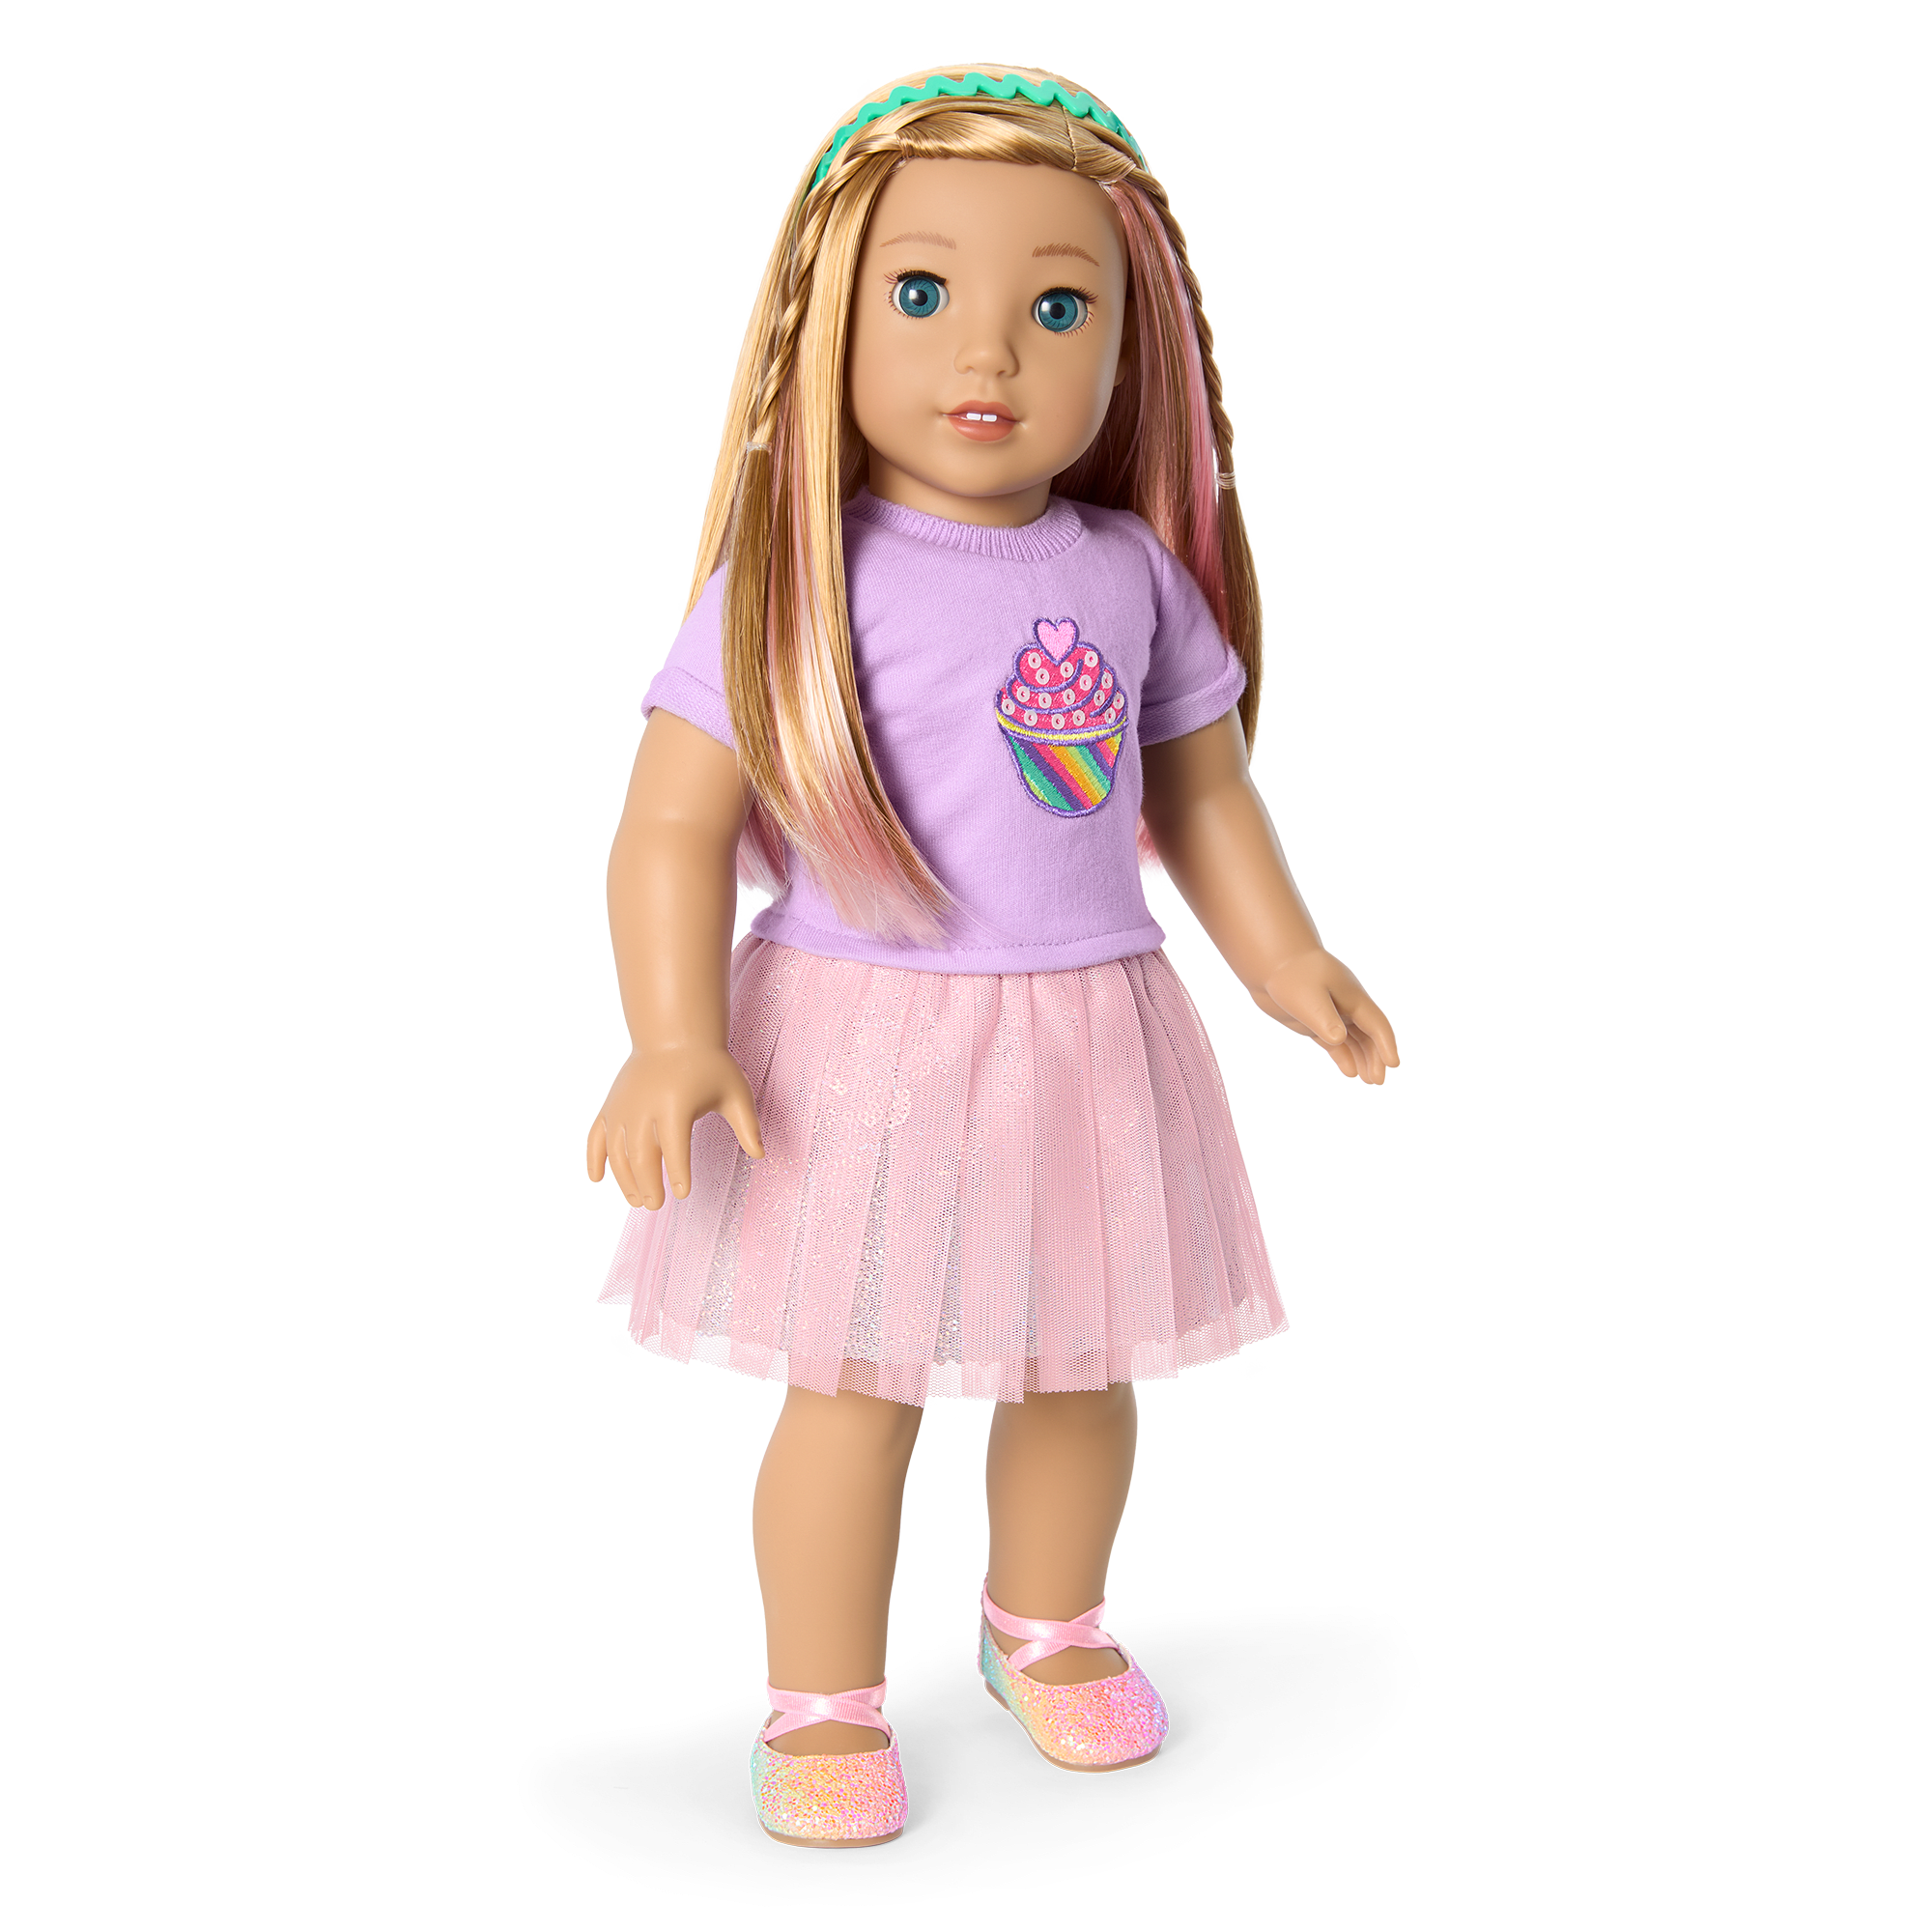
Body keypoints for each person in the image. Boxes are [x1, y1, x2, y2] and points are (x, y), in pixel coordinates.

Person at [585, 67, 1399, 1850]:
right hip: (852, 1045)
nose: (991, 351)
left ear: (1130, 344)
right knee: (851, 1388)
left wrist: (1285, 957)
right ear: (828, 318)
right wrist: (667, 1032)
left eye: (1058, 306)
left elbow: (1202, 793)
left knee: (1081, 1368)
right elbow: (670, 829)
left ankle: (1045, 1621)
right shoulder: (792, 580)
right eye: (923, 291)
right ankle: (821, 1694)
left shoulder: (1131, 571)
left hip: (1089, 1028)